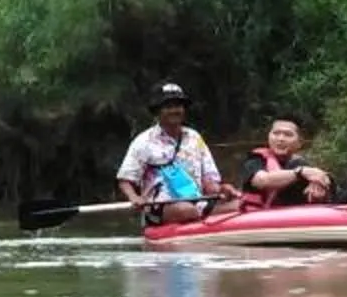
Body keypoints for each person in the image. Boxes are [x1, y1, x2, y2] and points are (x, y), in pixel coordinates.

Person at [115, 82, 230, 225]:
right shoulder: (143, 141)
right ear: (157, 111)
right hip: (159, 207)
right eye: (168, 107)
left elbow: (209, 180)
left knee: (237, 206)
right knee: (187, 211)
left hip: (197, 201)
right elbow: (125, 180)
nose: (175, 110)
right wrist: (134, 197)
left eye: (179, 106)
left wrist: (222, 190)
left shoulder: (195, 138)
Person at [236, 116, 334, 210]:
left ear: (299, 142)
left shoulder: (303, 166)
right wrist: (299, 173)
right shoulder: (255, 161)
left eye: (288, 135)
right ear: (268, 137)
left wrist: (318, 188)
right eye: (276, 133)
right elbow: (263, 180)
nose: (281, 139)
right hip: (258, 221)